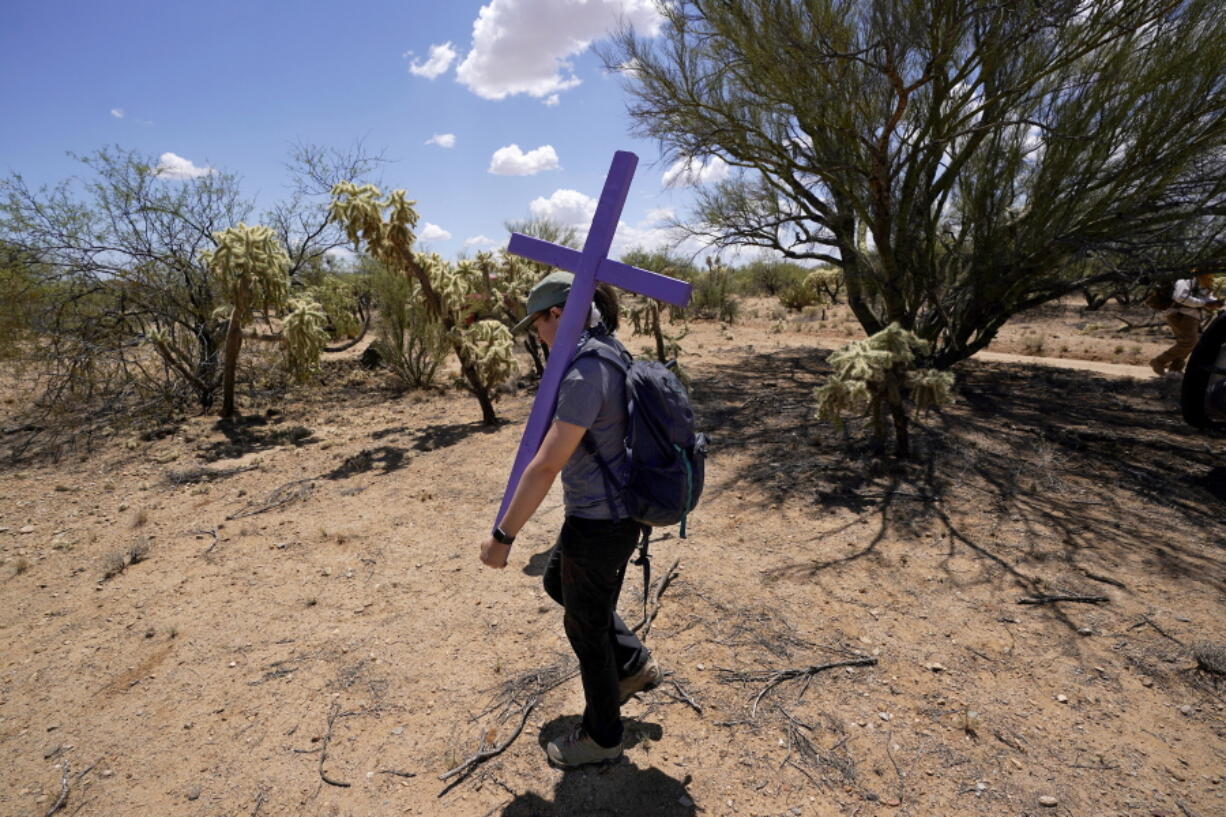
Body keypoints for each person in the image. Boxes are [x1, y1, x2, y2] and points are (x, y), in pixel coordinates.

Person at [478, 271, 662, 769]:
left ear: (558, 313)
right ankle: (631, 664)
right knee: (560, 581)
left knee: (585, 628)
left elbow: (546, 464)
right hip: (615, 512)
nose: (536, 333)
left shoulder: (585, 371)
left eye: (537, 321)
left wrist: (503, 536)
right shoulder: (611, 350)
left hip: (600, 522)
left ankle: (602, 736)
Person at [1150, 271, 1224, 376]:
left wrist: (1215, 302)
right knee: (1189, 342)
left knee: (1188, 343)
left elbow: (1205, 297)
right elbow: (1179, 297)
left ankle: (1175, 368)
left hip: (1192, 315)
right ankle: (1159, 361)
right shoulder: (1186, 280)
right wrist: (1204, 303)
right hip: (1180, 314)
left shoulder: (1204, 282)